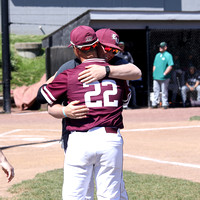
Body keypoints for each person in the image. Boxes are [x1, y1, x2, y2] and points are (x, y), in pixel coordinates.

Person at [44, 28, 141, 200]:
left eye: (115, 50)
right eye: (108, 49)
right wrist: (65, 111)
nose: (112, 53)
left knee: (109, 191)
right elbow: (48, 102)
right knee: (90, 190)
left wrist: (106, 71)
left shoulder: (116, 65)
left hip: (91, 138)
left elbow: (137, 72)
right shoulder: (71, 66)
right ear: (96, 45)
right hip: (79, 132)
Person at [152, 41, 174, 109]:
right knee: (156, 90)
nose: (160, 48)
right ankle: (155, 103)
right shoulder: (157, 55)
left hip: (165, 77)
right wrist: (154, 73)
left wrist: (165, 73)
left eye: (162, 47)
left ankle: (165, 104)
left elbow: (170, 65)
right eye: (160, 47)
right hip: (156, 77)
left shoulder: (168, 55)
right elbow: (154, 65)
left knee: (164, 91)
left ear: (165, 47)